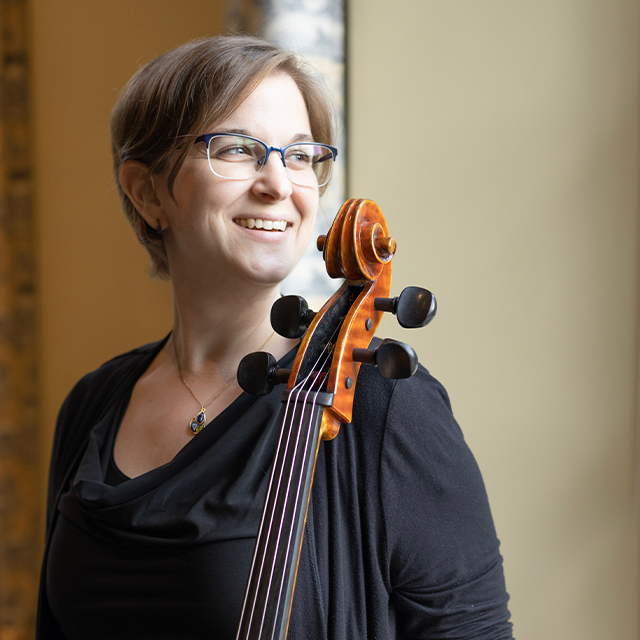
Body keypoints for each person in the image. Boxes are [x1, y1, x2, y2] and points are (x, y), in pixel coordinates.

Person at [37, 35, 514, 639]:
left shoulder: (386, 406)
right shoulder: (94, 404)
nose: (278, 184)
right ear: (147, 192)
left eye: (299, 155)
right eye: (237, 150)